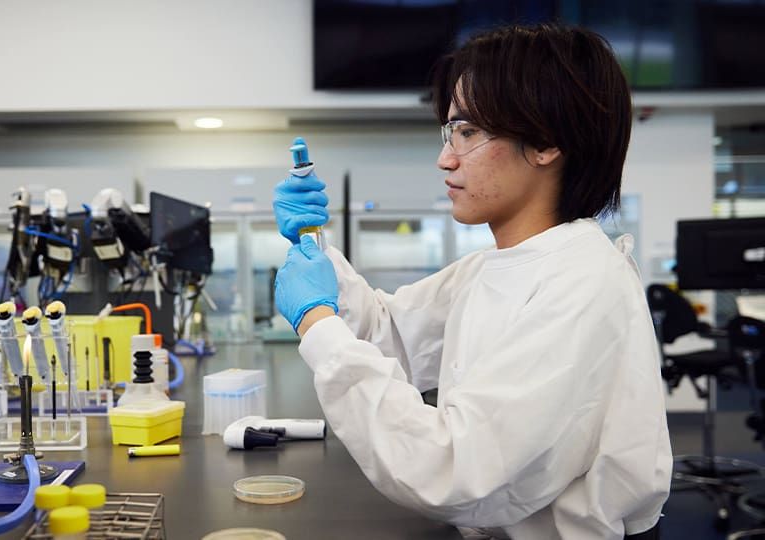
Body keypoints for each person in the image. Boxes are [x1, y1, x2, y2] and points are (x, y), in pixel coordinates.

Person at [272, 23, 671, 540]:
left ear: (547, 142)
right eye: (449, 132)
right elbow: (391, 333)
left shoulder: (585, 283)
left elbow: (459, 472)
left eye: (469, 132)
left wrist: (317, 323)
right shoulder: (496, 266)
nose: (446, 158)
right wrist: (315, 247)